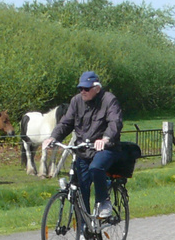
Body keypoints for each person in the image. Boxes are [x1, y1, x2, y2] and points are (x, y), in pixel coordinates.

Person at [44, 71, 122, 223]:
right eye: (80, 88)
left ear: (97, 88)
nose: (83, 92)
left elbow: (115, 122)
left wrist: (105, 139)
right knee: (80, 189)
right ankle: (85, 228)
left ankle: (104, 201)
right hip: (83, 150)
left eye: (86, 89)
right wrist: (53, 137)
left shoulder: (109, 100)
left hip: (104, 149)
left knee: (96, 168)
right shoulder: (76, 101)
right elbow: (66, 123)